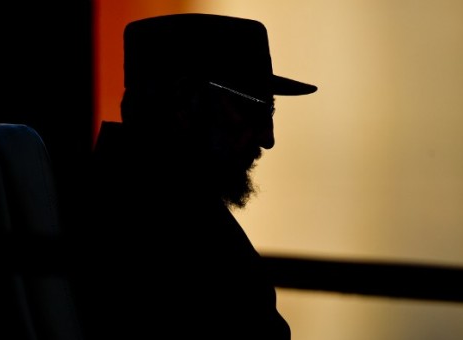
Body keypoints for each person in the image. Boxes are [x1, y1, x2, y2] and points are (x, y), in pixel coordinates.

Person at [71, 13, 317, 340]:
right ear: (186, 102)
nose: (268, 138)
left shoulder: (89, 199)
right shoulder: (191, 240)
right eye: (256, 107)